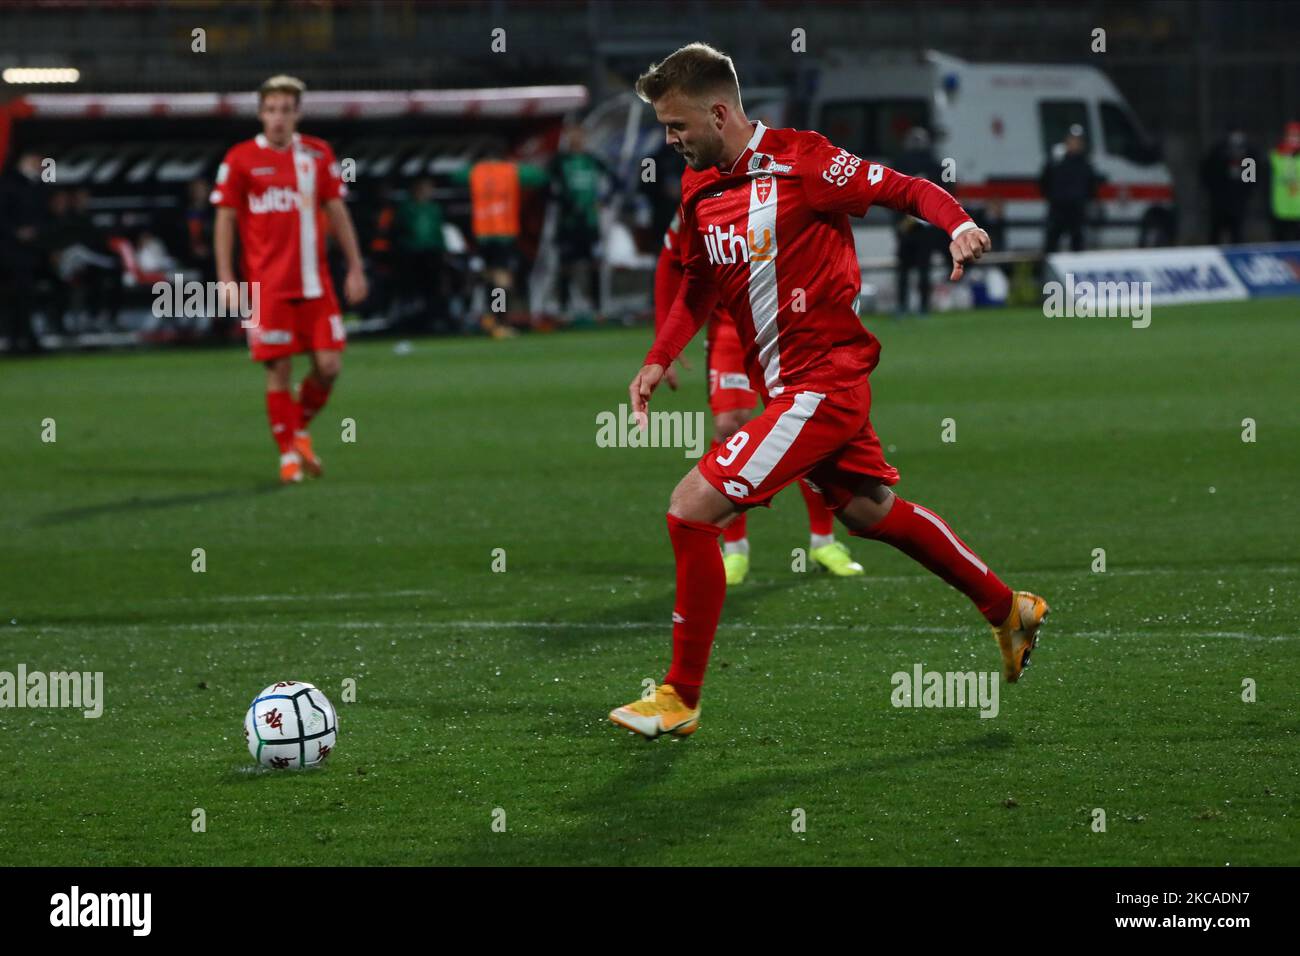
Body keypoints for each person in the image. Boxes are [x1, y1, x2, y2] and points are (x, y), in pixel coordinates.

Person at [610, 43, 1048, 739]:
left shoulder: (805, 161)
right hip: (792, 390)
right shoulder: (699, 185)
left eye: (677, 126)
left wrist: (958, 224)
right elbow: (697, 278)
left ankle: (680, 695)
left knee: (692, 509)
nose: (670, 140)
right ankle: (1007, 608)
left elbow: (902, 187)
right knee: (872, 513)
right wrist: (661, 357)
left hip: (823, 385)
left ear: (720, 113)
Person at [656, 211, 865, 585]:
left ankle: (823, 541)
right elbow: (670, 260)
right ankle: (734, 550)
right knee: (729, 425)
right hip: (730, 325)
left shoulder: (785, 178)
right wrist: (664, 337)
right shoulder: (700, 194)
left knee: (805, 425)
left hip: (786, 322)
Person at [212, 74, 368, 484]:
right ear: (261, 113)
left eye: (286, 109)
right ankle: (287, 457)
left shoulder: (318, 155)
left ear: (298, 113)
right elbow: (224, 220)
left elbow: (338, 213)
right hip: (267, 288)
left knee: (330, 366)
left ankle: (297, 428)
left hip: (316, 285)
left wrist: (355, 266)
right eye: (271, 110)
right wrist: (226, 278)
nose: (278, 117)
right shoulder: (240, 159)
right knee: (278, 370)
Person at [549, 123, 611, 319]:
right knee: (566, 265)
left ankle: (597, 308)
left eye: (580, 135)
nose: (577, 139)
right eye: (572, 135)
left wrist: (604, 200)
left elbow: (617, 181)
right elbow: (549, 188)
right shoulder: (560, 162)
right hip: (568, 223)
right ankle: (564, 309)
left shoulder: (593, 160)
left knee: (594, 264)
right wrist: (565, 203)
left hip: (590, 223)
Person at [892, 126, 945, 315]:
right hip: (926, 224)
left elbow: (890, 193)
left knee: (904, 269)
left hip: (906, 223)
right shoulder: (935, 165)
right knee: (924, 267)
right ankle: (923, 306)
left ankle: (902, 306)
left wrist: (898, 221)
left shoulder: (900, 163)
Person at [0, 149, 48, 354]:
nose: (40, 163)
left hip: (28, 252)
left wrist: (34, 231)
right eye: (36, 159)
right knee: (13, 296)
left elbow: (42, 215)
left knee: (26, 296)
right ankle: (14, 339)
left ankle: (25, 339)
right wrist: (16, 232)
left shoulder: (35, 185)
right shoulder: (8, 185)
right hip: (9, 251)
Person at [395, 178, 448, 330]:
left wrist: (442, 249)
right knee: (412, 288)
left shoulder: (434, 208)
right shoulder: (406, 208)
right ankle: (412, 320)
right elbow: (398, 231)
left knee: (433, 288)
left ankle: (433, 319)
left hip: (432, 254)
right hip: (412, 254)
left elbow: (439, 232)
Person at [1040, 124, 1102, 253]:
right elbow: (1044, 181)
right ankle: (1047, 273)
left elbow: (1092, 187)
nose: (1075, 143)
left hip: (1077, 211)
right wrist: (1054, 198)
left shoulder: (1086, 164)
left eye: (1078, 141)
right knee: (1051, 246)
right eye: (1072, 140)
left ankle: (1072, 274)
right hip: (1057, 210)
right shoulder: (1055, 161)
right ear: (1067, 141)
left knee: (1077, 247)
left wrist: (1082, 200)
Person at [1200, 129, 1254, 245]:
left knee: (1237, 235)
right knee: (1215, 233)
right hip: (1219, 203)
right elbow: (1206, 174)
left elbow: (1251, 181)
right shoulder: (1217, 154)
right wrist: (1215, 193)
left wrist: (1243, 196)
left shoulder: (1248, 157)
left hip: (1237, 203)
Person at [1268, 121, 1300, 242]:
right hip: (1280, 209)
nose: (1294, 139)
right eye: (1291, 136)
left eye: (1297, 136)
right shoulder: (1275, 155)